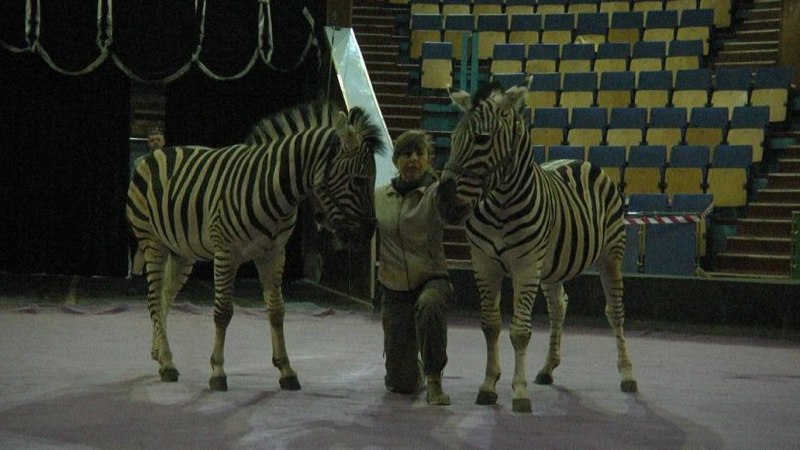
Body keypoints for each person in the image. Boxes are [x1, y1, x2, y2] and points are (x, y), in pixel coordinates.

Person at [374, 130, 453, 406]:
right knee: (401, 384)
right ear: (396, 160)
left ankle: (434, 381)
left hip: (431, 279)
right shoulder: (379, 197)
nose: (413, 159)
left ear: (429, 160)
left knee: (430, 305)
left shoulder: (436, 194)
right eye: (406, 154)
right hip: (393, 288)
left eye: (420, 153)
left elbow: (454, 209)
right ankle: (411, 368)